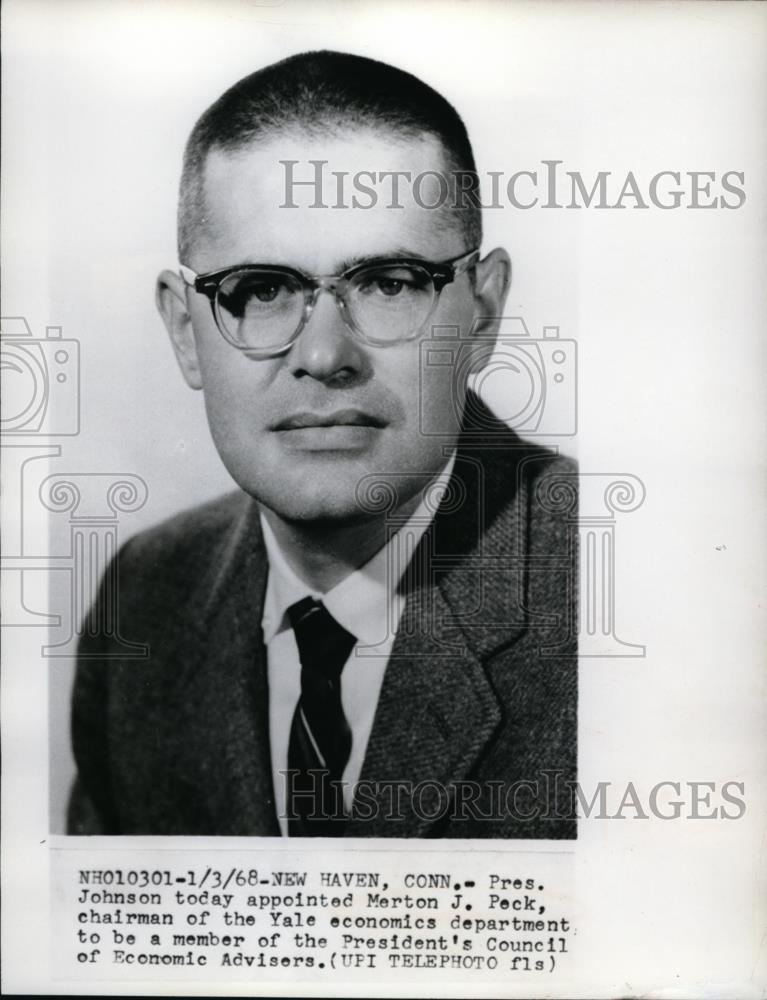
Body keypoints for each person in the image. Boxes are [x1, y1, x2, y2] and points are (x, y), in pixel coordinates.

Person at [68, 50, 577, 839]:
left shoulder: (629, 600)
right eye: (262, 291)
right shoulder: (145, 597)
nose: (324, 355)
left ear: (480, 314)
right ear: (183, 331)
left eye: (389, 281)